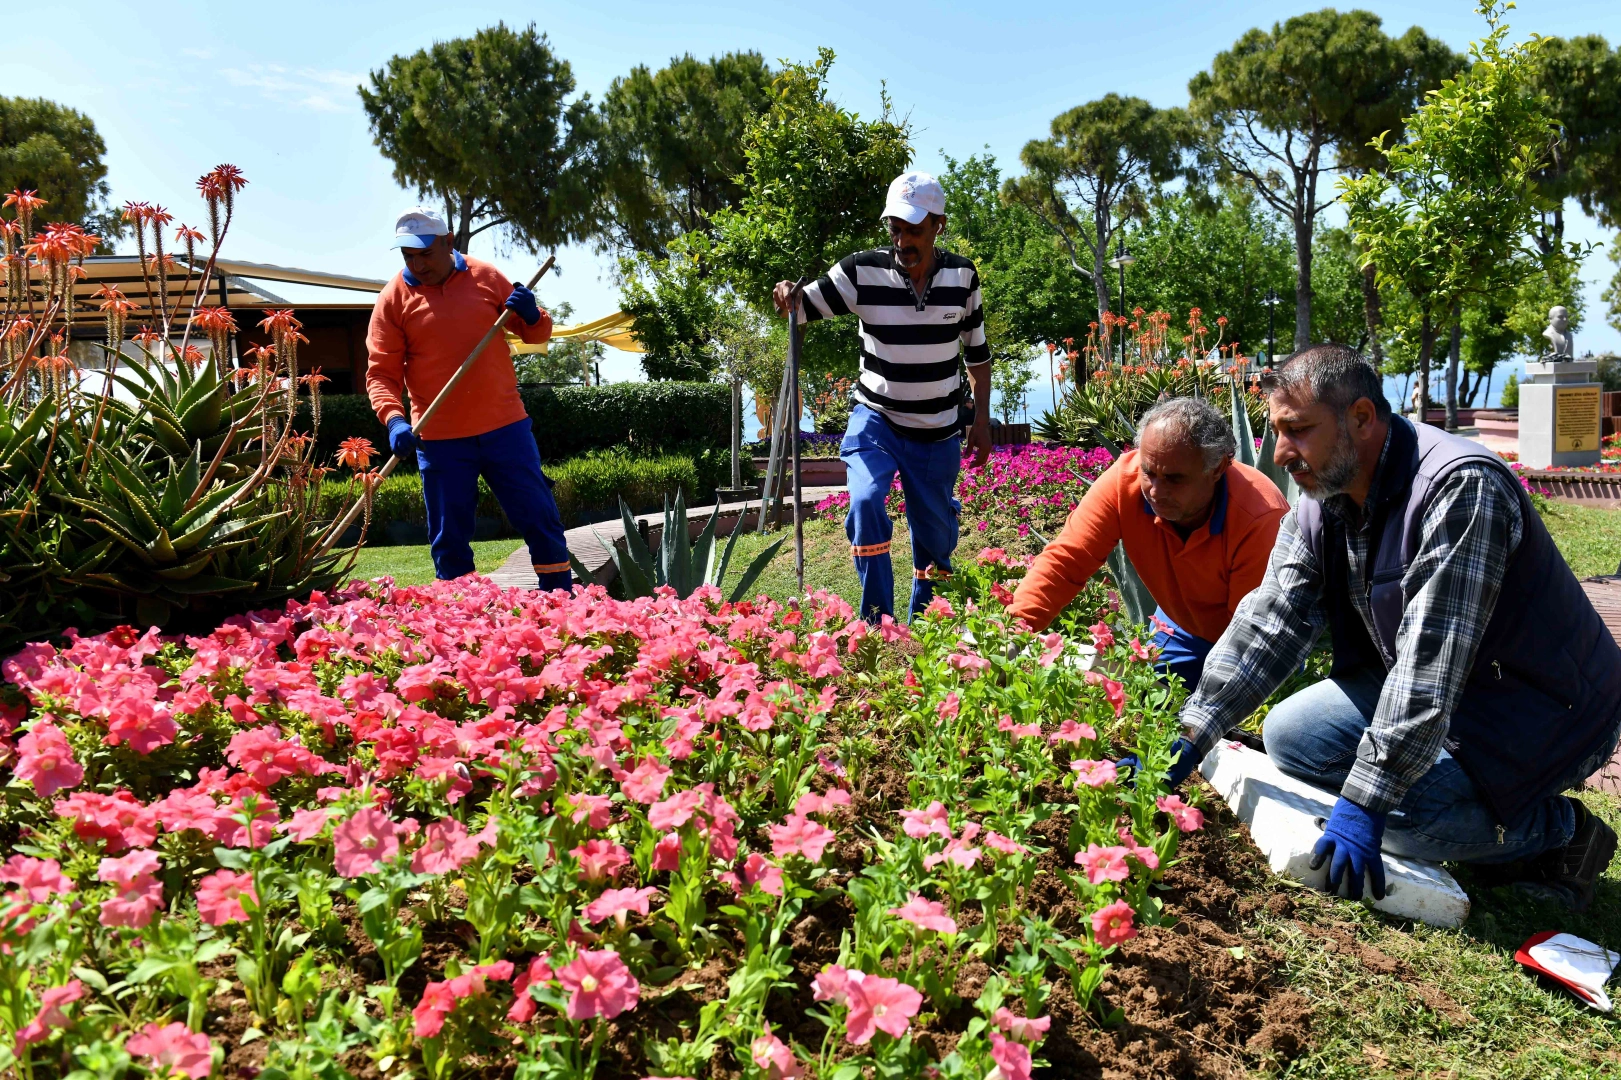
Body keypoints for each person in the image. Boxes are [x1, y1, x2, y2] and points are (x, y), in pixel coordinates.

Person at [1140, 344, 1621, 910]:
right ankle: (1476, 811)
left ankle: (1564, 830)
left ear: (1362, 418)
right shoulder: (1323, 497)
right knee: (1291, 737)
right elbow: (1270, 622)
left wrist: (1367, 800)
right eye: (1276, 431)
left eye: (1298, 430)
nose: (1281, 452)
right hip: (1460, 685)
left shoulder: (1459, 488)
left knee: (1406, 819)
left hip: (1544, 705)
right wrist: (1191, 733)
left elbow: (1429, 663)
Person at [772, 171, 994, 622]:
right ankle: (878, 622)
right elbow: (801, 307)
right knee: (866, 502)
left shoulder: (962, 276)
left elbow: (977, 357)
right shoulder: (860, 271)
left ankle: (927, 625)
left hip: (939, 431)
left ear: (939, 225)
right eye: (895, 228)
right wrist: (787, 298)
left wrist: (981, 420)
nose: (903, 240)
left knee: (935, 541)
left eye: (914, 229)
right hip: (877, 420)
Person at [1008, 397, 1289, 688]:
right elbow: (1066, 562)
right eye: (1149, 473)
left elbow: (1250, 637)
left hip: (1256, 640)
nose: (1155, 491)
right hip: (1180, 627)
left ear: (1217, 469)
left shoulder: (1259, 518)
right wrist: (1013, 635)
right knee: (1145, 699)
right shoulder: (1123, 482)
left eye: (1174, 479)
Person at [365, 207, 573, 590]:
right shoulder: (392, 300)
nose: (418, 264)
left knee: (540, 519)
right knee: (449, 539)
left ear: (448, 242)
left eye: (426, 253)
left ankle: (562, 602)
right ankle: (459, 617)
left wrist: (532, 315)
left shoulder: (487, 277)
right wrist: (394, 419)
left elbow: (536, 334)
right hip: (439, 439)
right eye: (408, 255)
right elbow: (381, 374)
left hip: (505, 428)